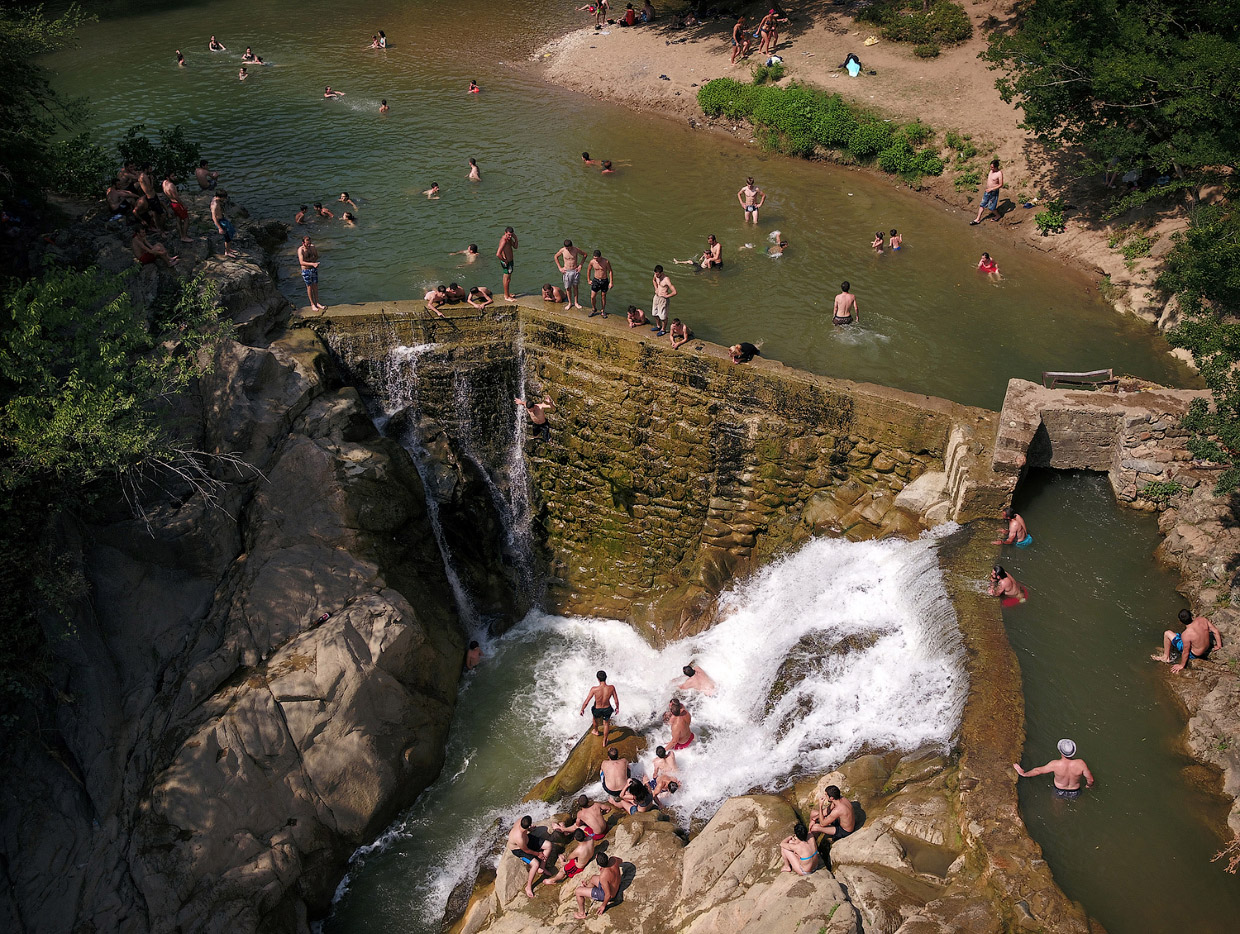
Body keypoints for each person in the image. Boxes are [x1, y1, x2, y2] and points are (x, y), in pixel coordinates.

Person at [1014, 739, 1095, 799]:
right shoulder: (1081, 764)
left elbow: (1038, 771)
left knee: (1057, 810)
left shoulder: (1055, 764)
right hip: (1075, 791)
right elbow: (1090, 780)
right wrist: (1088, 786)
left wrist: (1024, 774)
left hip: (1059, 791)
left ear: (1060, 751)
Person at [1152, 609, 1222, 673]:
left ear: (1180, 621)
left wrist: (1182, 665)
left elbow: (1186, 652)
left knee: (1167, 633)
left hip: (1195, 654)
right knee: (1177, 635)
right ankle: (1168, 653)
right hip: (1206, 648)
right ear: (1192, 616)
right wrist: (1219, 645)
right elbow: (1215, 631)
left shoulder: (1186, 634)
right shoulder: (1202, 620)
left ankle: (1166, 657)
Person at [507, 815, 551, 898]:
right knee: (535, 864)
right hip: (519, 850)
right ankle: (528, 886)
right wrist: (538, 854)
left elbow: (526, 829)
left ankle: (542, 868)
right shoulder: (519, 837)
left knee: (548, 845)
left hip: (527, 839)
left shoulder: (521, 821)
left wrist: (530, 829)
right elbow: (526, 850)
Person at [574, 853, 621, 920]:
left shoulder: (603, 876)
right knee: (593, 878)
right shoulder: (614, 859)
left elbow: (608, 895)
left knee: (578, 891)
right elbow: (621, 861)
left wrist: (603, 906)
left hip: (608, 895)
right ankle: (587, 889)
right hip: (615, 884)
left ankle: (582, 914)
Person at [580, 670, 619, 745]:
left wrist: (582, 709)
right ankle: (604, 741)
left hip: (597, 709)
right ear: (606, 677)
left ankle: (596, 731)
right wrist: (617, 708)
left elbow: (586, 701)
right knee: (606, 723)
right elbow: (616, 700)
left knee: (595, 718)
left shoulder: (594, 689)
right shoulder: (611, 688)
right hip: (607, 708)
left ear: (597, 679)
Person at [556, 239, 587, 310]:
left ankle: (576, 302)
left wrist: (580, 265)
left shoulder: (576, 249)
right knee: (568, 288)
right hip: (566, 271)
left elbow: (585, 255)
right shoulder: (563, 250)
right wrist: (560, 268)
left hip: (575, 271)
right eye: (566, 248)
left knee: (575, 287)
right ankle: (570, 303)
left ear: (571, 246)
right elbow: (556, 257)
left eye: (569, 248)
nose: (568, 249)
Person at [162, 173, 192, 244]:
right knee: (186, 219)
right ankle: (184, 237)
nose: (174, 177)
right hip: (177, 204)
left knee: (178, 219)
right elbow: (176, 197)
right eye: (172, 176)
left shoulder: (164, 183)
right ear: (167, 177)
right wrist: (183, 204)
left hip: (172, 203)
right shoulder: (171, 185)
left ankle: (181, 235)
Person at [971, 159, 1004, 225]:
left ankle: (997, 215)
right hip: (987, 191)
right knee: (982, 204)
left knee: (991, 208)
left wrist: (992, 189)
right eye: (990, 167)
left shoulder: (999, 173)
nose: (991, 168)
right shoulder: (991, 171)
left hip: (993, 192)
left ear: (996, 167)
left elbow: (1001, 184)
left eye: (992, 167)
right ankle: (978, 219)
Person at [298, 236, 326, 311]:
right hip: (306, 270)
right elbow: (301, 262)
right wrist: (312, 264)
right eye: (307, 244)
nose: (309, 245)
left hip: (313, 269)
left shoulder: (312, 247)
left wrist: (314, 262)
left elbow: (316, 256)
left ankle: (317, 302)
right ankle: (312, 304)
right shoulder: (301, 250)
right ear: (303, 243)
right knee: (309, 287)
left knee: (315, 286)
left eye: (310, 243)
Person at [137, 166, 165, 232]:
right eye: (149, 169)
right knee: (162, 214)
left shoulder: (140, 176)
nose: (151, 170)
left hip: (150, 197)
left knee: (155, 214)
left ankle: (158, 228)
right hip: (152, 197)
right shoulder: (145, 177)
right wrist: (152, 180)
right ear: (146, 169)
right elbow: (150, 188)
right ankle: (162, 230)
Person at [650, 265, 676, 336]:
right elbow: (654, 280)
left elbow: (674, 292)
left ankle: (663, 329)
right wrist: (656, 288)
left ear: (661, 272)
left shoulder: (666, 279)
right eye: (655, 274)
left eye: (658, 274)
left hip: (663, 299)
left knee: (663, 317)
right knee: (654, 313)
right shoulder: (655, 275)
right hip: (656, 297)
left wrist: (667, 295)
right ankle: (658, 326)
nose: (656, 275)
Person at [587, 250, 613, 318]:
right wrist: (588, 279)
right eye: (595, 258)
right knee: (592, 296)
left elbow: (610, 271)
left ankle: (602, 310)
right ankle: (593, 309)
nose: (596, 260)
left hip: (604, 280)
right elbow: (589, 270)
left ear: (600, 257)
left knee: (603, 296)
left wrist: (611, 282)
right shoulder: (592, 262)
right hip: (596, 280)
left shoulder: (606, 262)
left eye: (597, 258)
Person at [211, 190, 237, 259]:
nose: (224, 199)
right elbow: (213, 217)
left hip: (223, 219)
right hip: (220, 222)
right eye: (223, 198)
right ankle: (227, 252)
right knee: (227, 236)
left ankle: (229, 248)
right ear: (219, 197)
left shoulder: (215, 199)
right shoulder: (215, 205)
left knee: (232, 231)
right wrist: (220, 228)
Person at [497, 226, 518, 301]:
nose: (510, 236)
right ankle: (506, 296)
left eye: (511, 235)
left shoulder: (509, 239)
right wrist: (504, 260)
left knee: (508, 278)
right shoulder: (504, 240)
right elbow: (498, 254)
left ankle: (507, 293)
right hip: (507, 262)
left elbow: (515, 247)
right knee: (507, 279)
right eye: (508, 235)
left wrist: (515, 238)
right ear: (505, 233)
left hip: (510, 261)